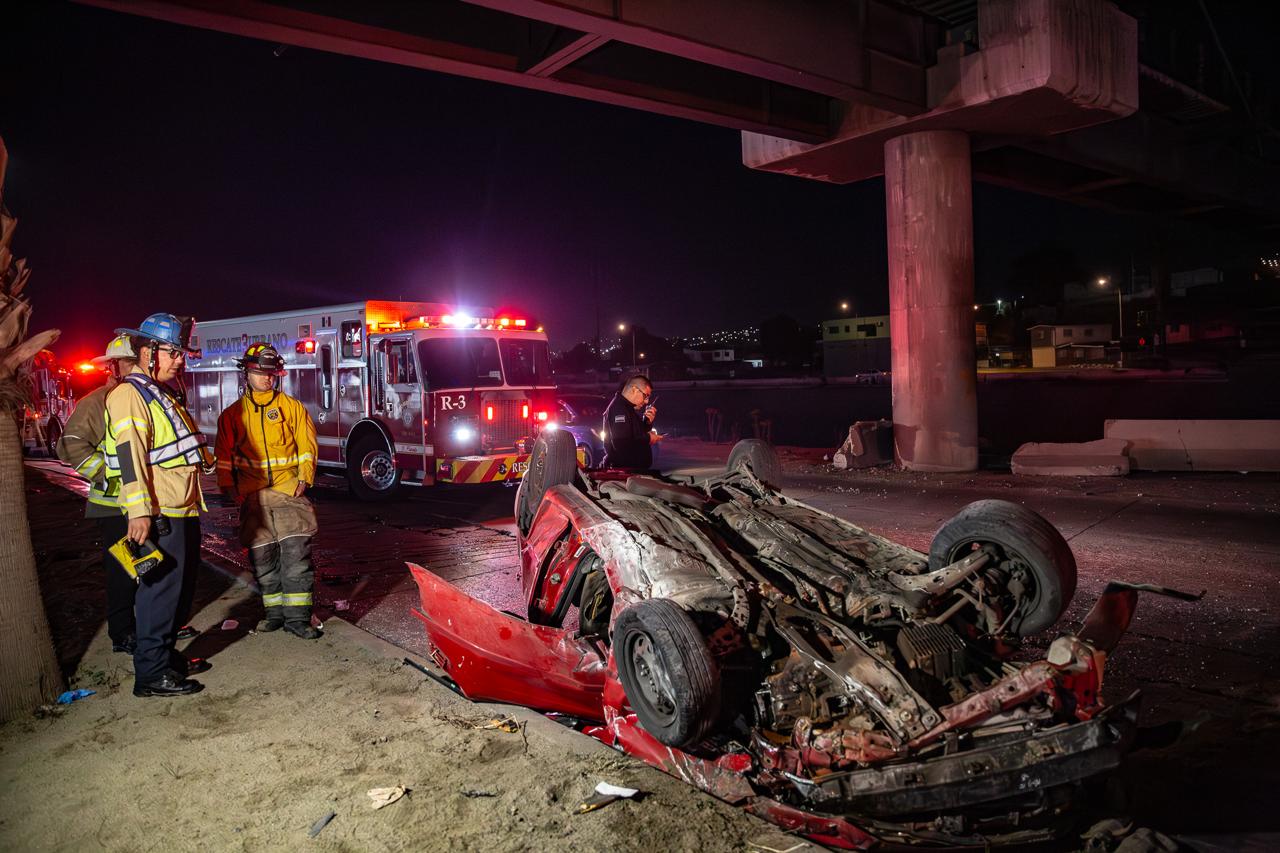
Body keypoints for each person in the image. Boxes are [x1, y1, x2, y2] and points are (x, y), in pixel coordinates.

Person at [104, 313, 215, 697]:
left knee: (179, 593)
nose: (180, 360)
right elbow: (130, 452)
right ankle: (151, 675)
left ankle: (165, 659)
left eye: (180, 352)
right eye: (173, 352)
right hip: (158, 513)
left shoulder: (158, 392)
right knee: (159, 594)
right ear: (148, 351)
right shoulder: (129, 395)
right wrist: (139, 511)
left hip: (179, 508)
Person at [215, 343, 321, 639]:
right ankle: (274, 614)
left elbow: (307, 445)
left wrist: (305, 477)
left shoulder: (291, 407)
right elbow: (223, 455)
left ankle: (298, 619)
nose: (267, 378)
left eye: (271, 373)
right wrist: (229, 489)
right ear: (246, 372)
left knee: (296, 557)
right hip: (253, 498)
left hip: (288, 494)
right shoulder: (232, 415)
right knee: (262, 561)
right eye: (261, 372)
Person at [601, 374, 662, 470]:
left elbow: (635, 433)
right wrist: (648, 438)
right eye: (645, 396)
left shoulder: (627, 408)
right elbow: (622, 444)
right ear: (634, 390)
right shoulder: (619, 409)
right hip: (624, 473)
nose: (647, 401)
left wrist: (647, 422)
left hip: (632, 472)